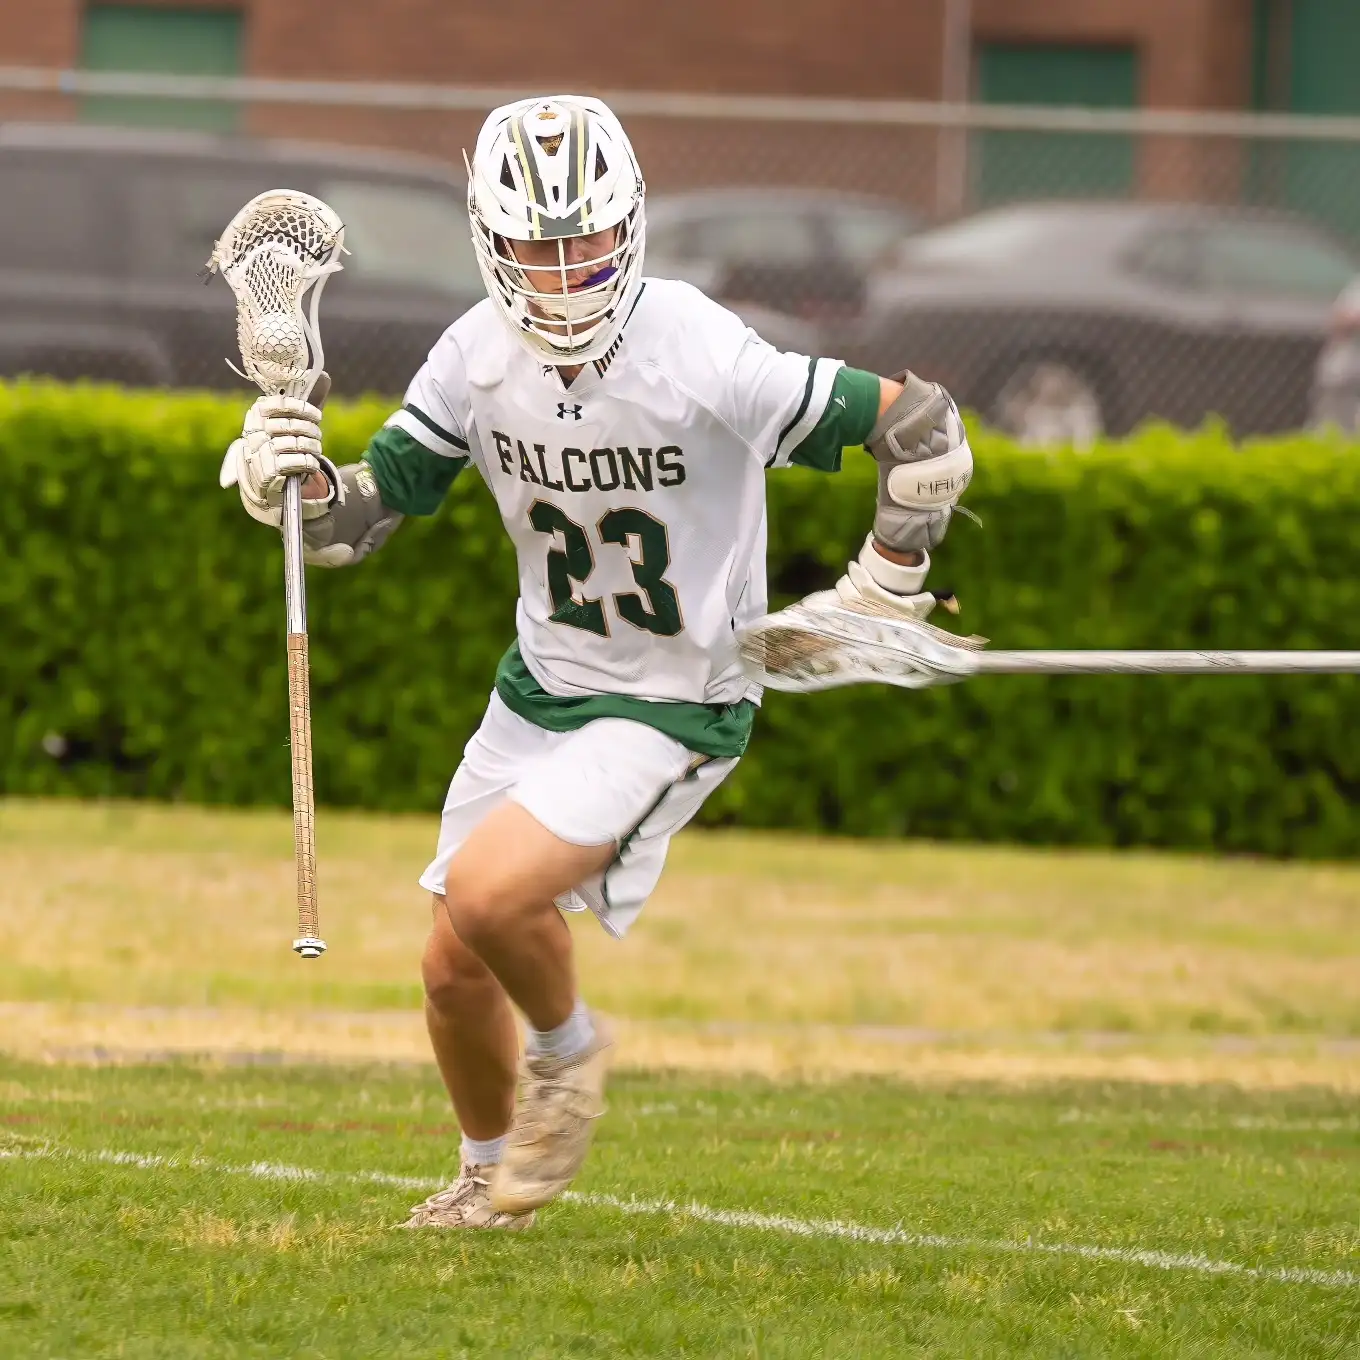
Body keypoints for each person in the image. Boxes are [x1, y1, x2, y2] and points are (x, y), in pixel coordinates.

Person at [222, 94, 973, 1230]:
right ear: (490, 241)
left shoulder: (698, 347)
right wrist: (291, 485)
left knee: (488, 891)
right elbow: (360, 522)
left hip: (674, 699)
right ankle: (485, 1182)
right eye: (537, 248)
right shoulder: (474, 357)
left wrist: (886, 584)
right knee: (449, 964)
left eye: (584, 244)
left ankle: (567, 1061)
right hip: (540, 691)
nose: (565, 275)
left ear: (627, 228)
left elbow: (922, 430)